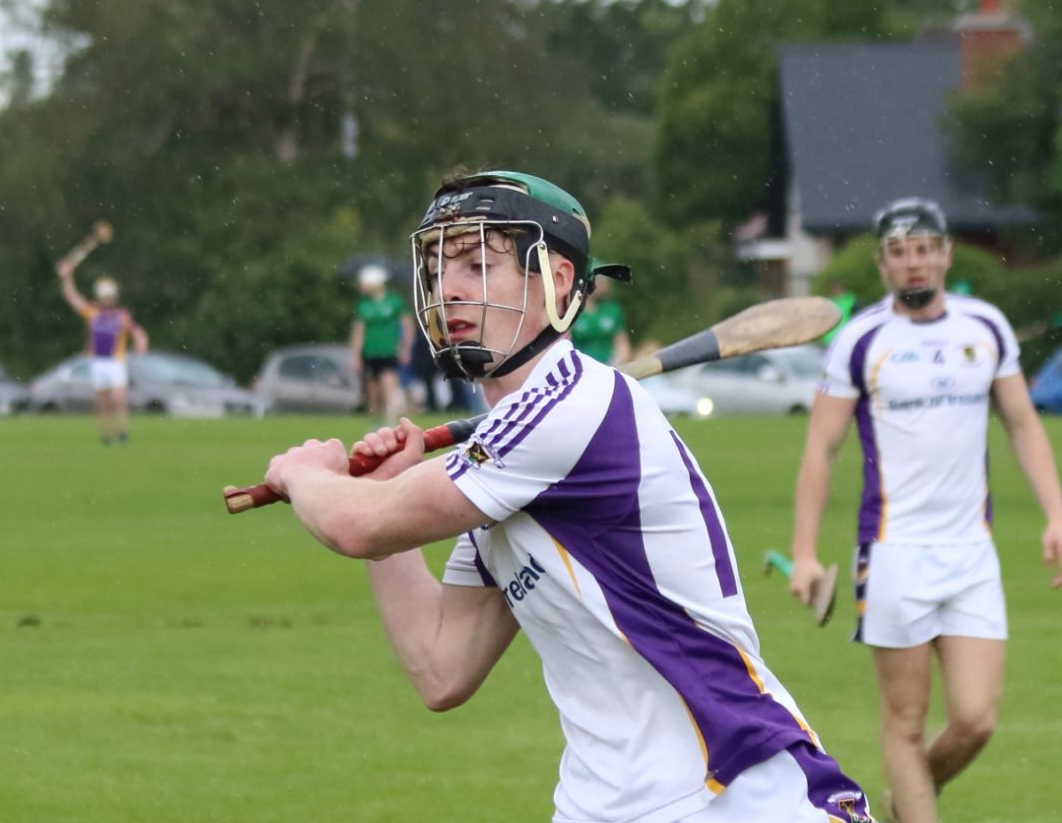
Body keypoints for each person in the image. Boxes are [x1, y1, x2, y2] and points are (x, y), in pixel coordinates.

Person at [263, 171, 875, 822]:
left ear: (558, 281)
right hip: (605, 802)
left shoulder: (570, 408)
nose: (452, 287)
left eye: (478, 263)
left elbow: (359, 527)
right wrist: (377, 487)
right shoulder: (505, 471)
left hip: (735, 791)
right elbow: (441, 669)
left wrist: (306, 474)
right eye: (440, 268)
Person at [789, 197, 1062, 823]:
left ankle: (905, 798)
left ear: (943, 254)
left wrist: (1056, 513)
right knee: (906, 724)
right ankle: (915, 806)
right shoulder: (861, 339)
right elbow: (821, 448)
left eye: (923, 250)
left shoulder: (985, 328)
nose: (912, 264)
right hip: (892, 555)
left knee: (975, 720)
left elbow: (1022, 423)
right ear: (883, 266)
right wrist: (804, 552)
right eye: (898, 253)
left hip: (972, 553)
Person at [56, 258, 148, 444]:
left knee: (117, 399)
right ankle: (105, 435)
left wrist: (141, 343)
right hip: (98, 362)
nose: (107, 299)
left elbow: (137, 331)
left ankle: (122, 432)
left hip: (116, 361)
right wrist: (67, 277)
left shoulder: (121, 315)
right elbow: (73, 298)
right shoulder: (93, 313)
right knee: (102, 402)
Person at [349, 264, 412, 424]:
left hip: (389, 351)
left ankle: (390, 420)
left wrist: (405, 347)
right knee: (372, 390)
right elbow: (358, 331)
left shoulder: (394, 301)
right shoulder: (363, 305)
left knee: (388, 385)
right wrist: (356, 355)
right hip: (370, 352)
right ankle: (374, 422)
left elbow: (407, 324)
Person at [570, 273, 631, 364]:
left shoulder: (612, 309)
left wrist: (617, 364)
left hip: (608, 365)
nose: (605, 284)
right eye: (600, 280)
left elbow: (622, 344)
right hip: (579, 365)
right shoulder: (571, 310)